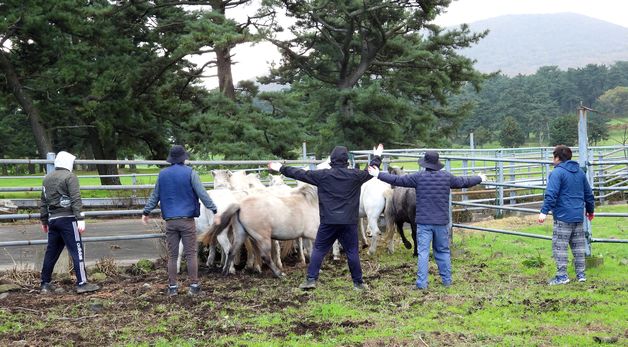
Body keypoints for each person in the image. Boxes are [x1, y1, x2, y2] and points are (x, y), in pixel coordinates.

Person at [268, 144, 383, 291]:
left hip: (328, 221)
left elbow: (299, 173)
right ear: (347, 161)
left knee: (319, 250)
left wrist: (280, 168)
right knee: (352, 252)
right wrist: (377, 155)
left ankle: (310, 280)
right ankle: (358, 283)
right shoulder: (355, 175)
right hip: (348, 222)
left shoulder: (322, 175)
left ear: (332, 161)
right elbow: (371, 170)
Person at [368, 151, 486, 290]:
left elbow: (398, 180)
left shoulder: (418, 177)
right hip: (441, 222)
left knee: (423, 253)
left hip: (424, 223)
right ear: (437, 163)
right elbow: (464, 182)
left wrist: (378, 174)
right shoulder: (446, 177)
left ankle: (422, 283)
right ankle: (447, 281)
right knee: (442, 251)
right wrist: (479, 178)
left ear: (425, 163)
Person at [142, 145, 219, 296]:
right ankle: (194, 286)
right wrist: (214, 209)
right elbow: (202, 194)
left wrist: (146, 211)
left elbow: (155, 195)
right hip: (187, 220)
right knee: (190, 254)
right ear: (184, 158)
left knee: (173, 255)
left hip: (170, 221)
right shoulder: (191, 173)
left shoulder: (162, 174)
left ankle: (172, 287)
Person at [40, 151, 100, 294]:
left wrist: (44, 220)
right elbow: (75, 198)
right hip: (68, 220)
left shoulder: (46, 178)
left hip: (53, 220)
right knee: (77, 251)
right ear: (68, 163)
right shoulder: (70, 177)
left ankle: (44, 283)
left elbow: (43, 201)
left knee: (51, 253)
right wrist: (80, 218)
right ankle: (82, 283)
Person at [538, 145, 594, 285]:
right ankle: (581, 274)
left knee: (560, 246)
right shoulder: (580, 172)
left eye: (553, 156)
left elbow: (551, 194)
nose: (553, 159)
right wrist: (590, 210)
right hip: (578, 215)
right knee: (578, 246)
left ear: (557, 157)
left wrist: (544, 212)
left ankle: (562, 276)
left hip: (563, 216)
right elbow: (588, 193)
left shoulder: (557, 173)